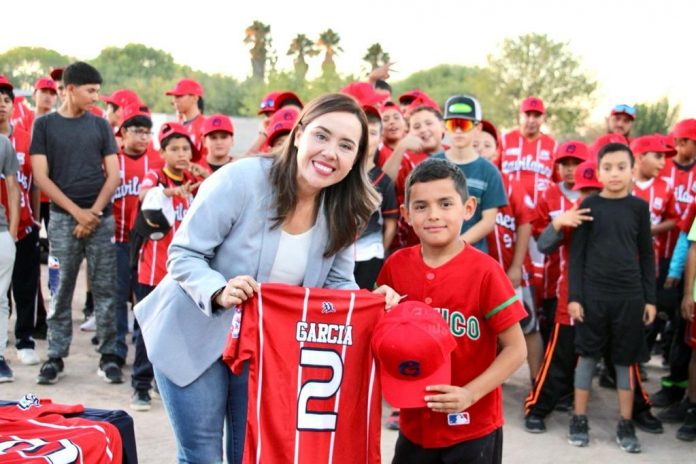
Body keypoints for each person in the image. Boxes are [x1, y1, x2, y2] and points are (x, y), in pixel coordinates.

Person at [133, 93, 399, 463]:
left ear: (357, 157)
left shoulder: (345, 209)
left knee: (251, 455)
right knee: (202, 456)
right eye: (321, 136)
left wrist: (370, 303)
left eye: (345, 145)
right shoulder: (240, 179)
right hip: (191, 333)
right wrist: (219, 290)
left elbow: (337, 284)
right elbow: (184, 254)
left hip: (266, 349)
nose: (329, 153)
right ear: (299, 134)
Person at [376, 157, 527, 463]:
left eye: (445, 204)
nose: (434, 215)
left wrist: (470, 393)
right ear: (406, 214)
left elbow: (516, 349)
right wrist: (378, 305)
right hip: (415, 425)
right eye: (421, 206)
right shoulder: (396, 266)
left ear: (468, 208)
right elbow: (379, 336)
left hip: (473, 426)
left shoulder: (486, 271)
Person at [29, 61, 123, 385]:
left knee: (105, 290)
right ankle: (55, 356)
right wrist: (76, 213)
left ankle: (109, 355)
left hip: (100, 221)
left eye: (98, 91)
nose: (96, 97)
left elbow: (113, 175)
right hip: (61, 222)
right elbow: (41, 177)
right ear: (70, 89)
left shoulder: (101, 126)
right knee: (59, 288)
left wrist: (92, 213)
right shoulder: (44, 126)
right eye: (91, 90)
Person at [567, 143, 657, 453]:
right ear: (599, 172)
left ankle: (625, 423)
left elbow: (647, 255)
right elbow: (577, 256)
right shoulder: (589, 205)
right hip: (593, 297)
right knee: (587, 357)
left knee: (624, 361)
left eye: (621, 167)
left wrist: (650, 298)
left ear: (633, 170)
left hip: (630, 298)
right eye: (607, 168)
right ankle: (579, 419)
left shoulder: (639, 208)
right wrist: (575, 297)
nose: (615, 173)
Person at [524, 158, 600, 433]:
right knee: (559, 358)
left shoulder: (620, 213)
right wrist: (558, 223)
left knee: (622, 360)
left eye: (594, 191)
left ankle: (636, 412)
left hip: (609, 301)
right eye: (584, 191)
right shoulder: (572, 214)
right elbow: (543, 245)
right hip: (570, 298)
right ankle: (537, 407)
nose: (588, 197)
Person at [131, 122, 200, 411]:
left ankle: (162, 382)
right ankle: (140, 385)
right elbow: (143, 195)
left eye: (186, 149)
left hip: (182, 271)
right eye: (174, 149)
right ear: (162, 152)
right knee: (148, 329)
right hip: (153, 268)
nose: (181, 154)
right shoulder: (157, 175)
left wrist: (200, 175)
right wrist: (174, 192)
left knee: (175, 331)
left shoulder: (194, 179)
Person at [0, 77, 41, 367]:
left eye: (6, 101)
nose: (1, 106)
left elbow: (34, 183)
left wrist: (35, 218)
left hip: (23, 225)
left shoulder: (26, 138)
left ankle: (25, 339)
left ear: (14, 106)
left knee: (26, 286)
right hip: (1, 227)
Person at [434, 95, 507, 252]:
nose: (458, 131)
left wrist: (457, 245)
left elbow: (488, 221)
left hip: (473, 255)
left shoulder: (490, 172)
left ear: (478, 128)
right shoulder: (430, 166)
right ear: (445, 127)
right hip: (434, 251)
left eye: (464, 124)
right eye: (453, 124)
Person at [500, 97, 557, 206]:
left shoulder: (552, 145)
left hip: (541, 210)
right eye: (527, 115)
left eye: (536, 116)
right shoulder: (504, 140)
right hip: (508, 209)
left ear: (543, 118)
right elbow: (493, 173)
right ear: (520, 116)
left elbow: (559, 181)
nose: (531, 120)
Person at [0, 134, 20, 382]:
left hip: (1, 230)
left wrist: (12, 232)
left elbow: (13, 188)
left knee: (0, 298)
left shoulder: (3, 143)